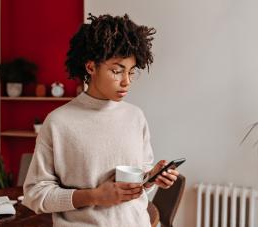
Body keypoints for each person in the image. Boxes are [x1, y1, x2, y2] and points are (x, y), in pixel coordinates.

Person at [22, 13, 180, 227]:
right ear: (91, 67)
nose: (126, 81)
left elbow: (138, 185)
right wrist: (93, 196)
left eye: (132, 72)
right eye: (117, 71)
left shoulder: (136, 117)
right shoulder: (58, 122)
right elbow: (35, 194)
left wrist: (151, 177)